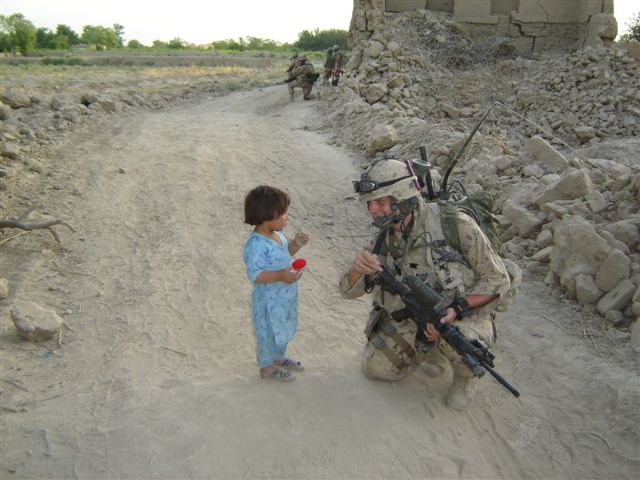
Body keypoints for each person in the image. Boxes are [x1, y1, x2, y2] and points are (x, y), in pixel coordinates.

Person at [338, 159, 511, 409]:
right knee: (376, 368)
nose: (372, 210)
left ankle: (465, 377)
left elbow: (497, 278)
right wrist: (357, 269)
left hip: (463, 316)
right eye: (370, 203)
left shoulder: (454, 224)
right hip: (416, 317)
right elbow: (346, 291)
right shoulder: (384, 240)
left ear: (403, 198)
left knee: (461, 340)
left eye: (380, 202)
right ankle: (431, 351)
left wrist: (457, 309)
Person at [243, 185, 310, 381]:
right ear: (265, 216)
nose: (286, 217)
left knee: (282, 329)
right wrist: (281, 275)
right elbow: (256, 275)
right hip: (268, 302)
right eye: (282, 213)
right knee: (267, 335)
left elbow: (284, 253)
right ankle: (267, 368)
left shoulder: (277, 235)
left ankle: (278, 358)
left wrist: (295, 244)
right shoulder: (255, 245)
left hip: (284, 297)